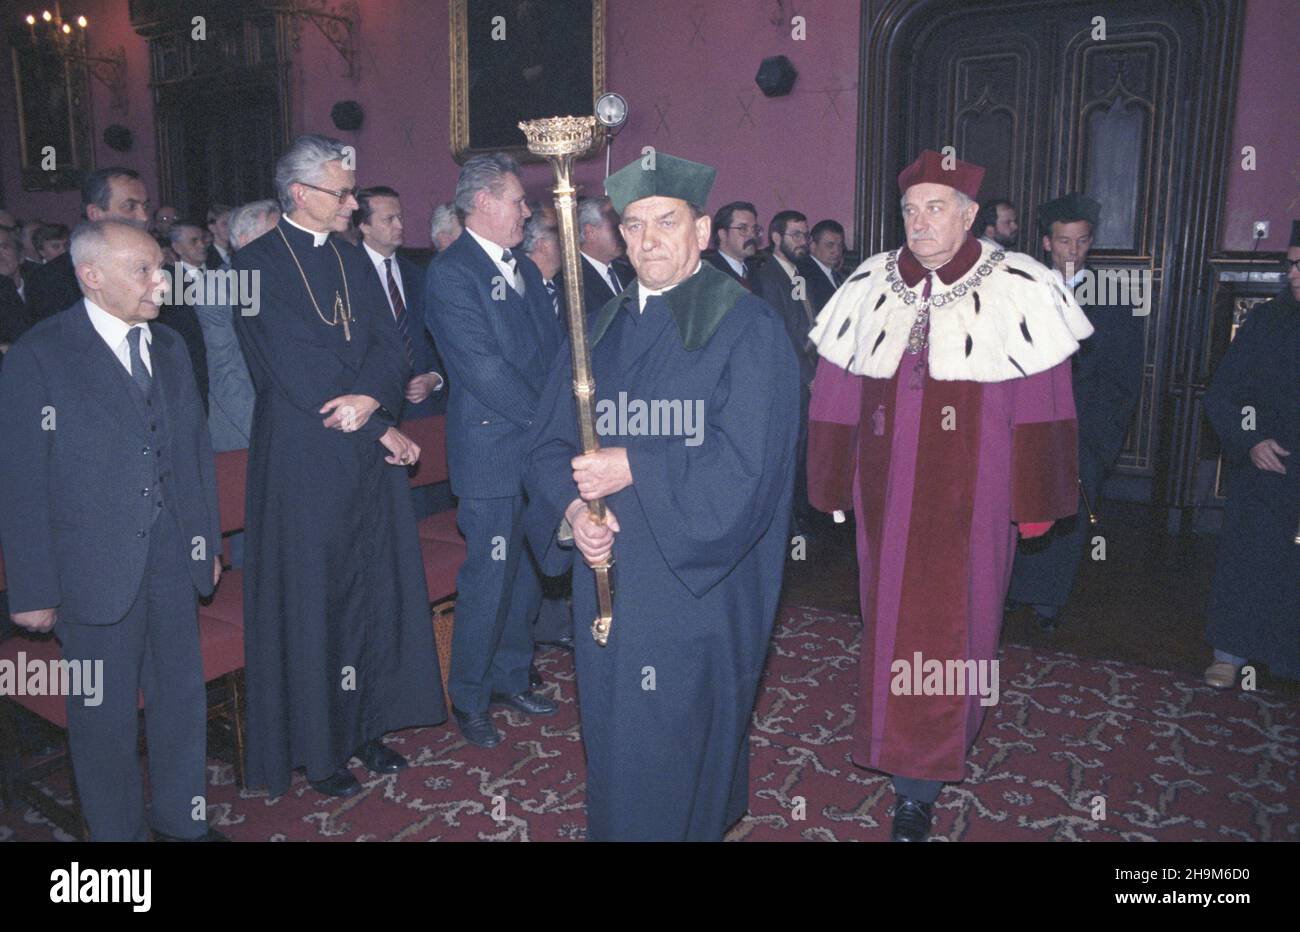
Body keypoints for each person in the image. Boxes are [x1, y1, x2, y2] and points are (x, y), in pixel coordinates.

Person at [806, 150, 1092, 841]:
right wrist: (830, 477)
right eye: (910, 209)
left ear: (968, 216)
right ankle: (898, 745)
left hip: (977, 497)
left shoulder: (1020, 283)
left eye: (936, 208)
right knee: (889, 618)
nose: (920, 221)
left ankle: (920, 777)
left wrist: (1036, 499)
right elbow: (836, 387)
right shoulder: (871, 281)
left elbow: (1046, 401)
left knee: (957, 626)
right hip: (887, 495)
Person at [523, 152, 800, 841]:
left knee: (674, 743)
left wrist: (636, 464)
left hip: (693, 584)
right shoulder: (600, 328)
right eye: (634, 225)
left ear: (703, 232)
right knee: (617, 738)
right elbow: (544, 444)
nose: (648, 240)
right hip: (607, 575)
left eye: (666, 223)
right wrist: (570, 512)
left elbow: (750, 472)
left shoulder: (747, 328)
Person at [232, 134, 445, 799]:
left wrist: (374, 402)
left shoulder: (354, 259)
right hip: (304, 456)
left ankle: (367, 726)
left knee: (371, 588)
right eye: (342, 192)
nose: (353, 204)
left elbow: (391, 343)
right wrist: (370, 418)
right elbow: (286, 362)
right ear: (300, 194)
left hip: (366, 451)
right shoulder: (251, 267)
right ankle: (321, 750)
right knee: (318, 599)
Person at [0, 220, 223, 841]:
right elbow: (20, 485)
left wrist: (204, 544)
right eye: (145, 271)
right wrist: (34, 589)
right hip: (90, 572)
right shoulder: (40, 356)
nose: (161, 283)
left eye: (161, 267)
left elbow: (195, 453)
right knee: (103, 721)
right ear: (91, 277)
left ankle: (184, 821)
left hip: (172, 560)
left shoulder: (172, 346)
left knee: (181, 701)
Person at [424, 153, 562, 747]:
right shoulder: (451, 274)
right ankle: (470, 696)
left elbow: (549, 351)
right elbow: (483, 370)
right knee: (489, 576)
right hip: (491, 454)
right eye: (517, 200)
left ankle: (510, 675)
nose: (526, 211)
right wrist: (547, 426)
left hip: (531, 446)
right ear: (483, 203)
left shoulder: (522, 269)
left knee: (526, 574)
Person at [1007, 194, 1145, 630]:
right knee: (1016, 506)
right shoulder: (1019, 290)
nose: (1072, 251)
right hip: (1022, 424)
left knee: (1066, 513)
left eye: (1081, 242)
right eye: (1064, 241)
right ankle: (1009, 591)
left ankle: (1050, 600)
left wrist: (1097, 439)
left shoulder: (1113, 298)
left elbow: (1123, 377)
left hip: (1082, 429)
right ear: (1046, 242)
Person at [1201, 219, 1299, 687]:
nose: (1294, 275)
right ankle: (1231, 652)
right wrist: (1252, 438)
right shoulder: (1267, 321)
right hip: (1268, 465)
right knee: (1250, 556)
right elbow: (1226, 394)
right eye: (1292, 265)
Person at [753, 209, 821, 539]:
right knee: (788, 452)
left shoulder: (798, 273)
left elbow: (808, 325)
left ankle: (800, 519)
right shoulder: (769, 276)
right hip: (789, 379)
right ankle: (788, 527)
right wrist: (809, 375)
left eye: (805, 235)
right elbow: (781, 334)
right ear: (775, 238)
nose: (802, 242)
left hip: (807, 376)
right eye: (795, 235)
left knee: (804, 450)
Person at [354, 186, 445, 420]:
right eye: (389, 219)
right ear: (364, 225)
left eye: (400, 217)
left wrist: (434, 377)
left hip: (425, 410)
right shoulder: (346, 274)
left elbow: (438, 337)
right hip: (372, 412)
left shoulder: (419, 274)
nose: (400, 226)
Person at [195, 200, 276, 453]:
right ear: (244, 240)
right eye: (275, 237)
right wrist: (267, 434)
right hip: (245, 427)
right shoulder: (216, 289)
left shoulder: (291, 283)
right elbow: (225, 371)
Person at [25, 168, 151, 325]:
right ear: (95, 213)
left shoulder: (166, 271)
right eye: (130, 206)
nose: (144, 217)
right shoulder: (52, 279)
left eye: (145, 207)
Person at [160, 222, 212, 412]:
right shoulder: (169, 281)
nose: (201, 245)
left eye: (203, 239)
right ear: (177, 247)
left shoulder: (221, 270)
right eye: (194, 241)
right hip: (192, 368)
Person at [704, 200, 759, 288]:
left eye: (754, 229)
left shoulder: (758, 273)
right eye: (743, 228)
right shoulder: (709, 274)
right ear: (723, 234)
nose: (752, 235)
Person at [798, 218, 846, 312]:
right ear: (813, 246)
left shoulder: (839, 275)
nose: (836, 251)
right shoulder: (803, 274)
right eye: (830, 245)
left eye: (840, 245)